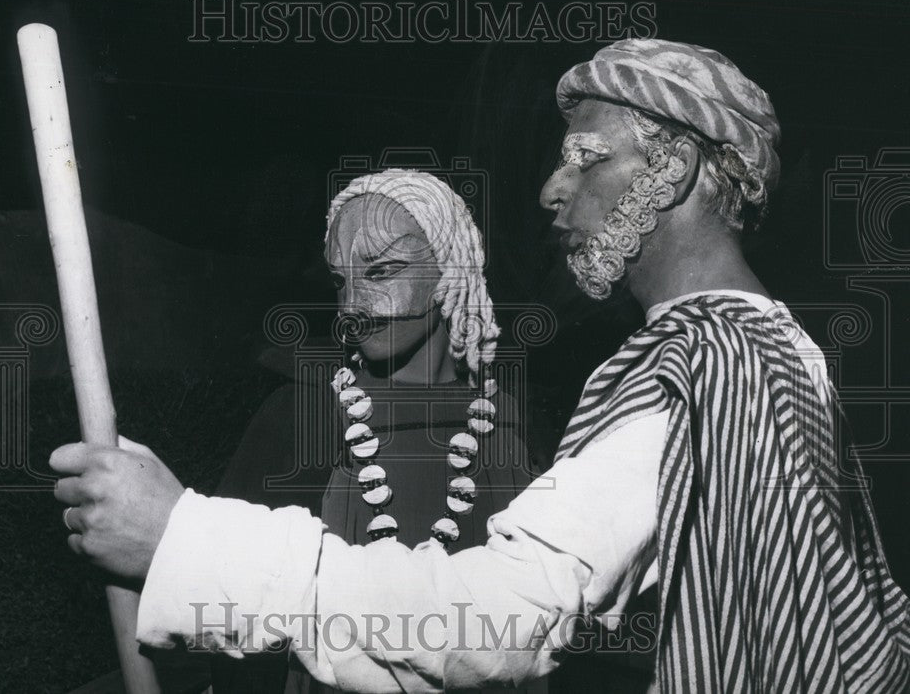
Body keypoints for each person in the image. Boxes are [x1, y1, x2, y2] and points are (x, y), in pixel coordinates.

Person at [50, 39, 910, 692]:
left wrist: (185, 539)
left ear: (674, 167)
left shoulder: (710, 367)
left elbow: (499, 620)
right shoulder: (776, 348)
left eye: (587, 158)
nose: (550, 188)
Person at [210, 170, 540, 693]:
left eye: (382, 270)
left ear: (451, 266)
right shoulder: (304, 416)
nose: (353, 304)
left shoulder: (508, 425)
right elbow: (233, 612)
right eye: (341, 280)